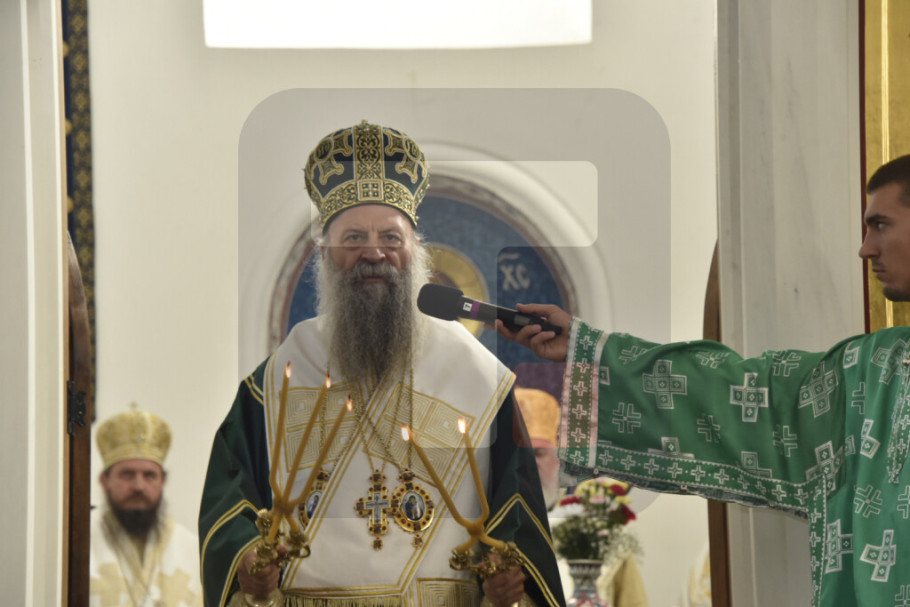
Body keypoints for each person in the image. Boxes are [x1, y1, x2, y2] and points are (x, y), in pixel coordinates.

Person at [496, 154, 910, 606]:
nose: (865, 248)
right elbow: (748, 397)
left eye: (881, 225)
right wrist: (592, 352)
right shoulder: (874, 371)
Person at [198, 121, 565, 607]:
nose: (373, 252)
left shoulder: (478, 376)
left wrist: (507, 581)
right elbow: (230, 502)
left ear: (416, 253)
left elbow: (517, 520)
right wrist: (246, 560)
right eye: (353, 238)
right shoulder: (278, 376)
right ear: (325, 255)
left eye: (391, 237)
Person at [516, 387, 648, 607]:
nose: (530, 464)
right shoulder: (494, 530)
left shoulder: (599, 530)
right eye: (522, 455)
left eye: (539, 454)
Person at [90, 407, 203, 606]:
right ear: (104, 481)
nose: (139, 486)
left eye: (149, 475)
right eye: (127, 474)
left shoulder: (191, 550)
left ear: (162, 481)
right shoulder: (78, 541)